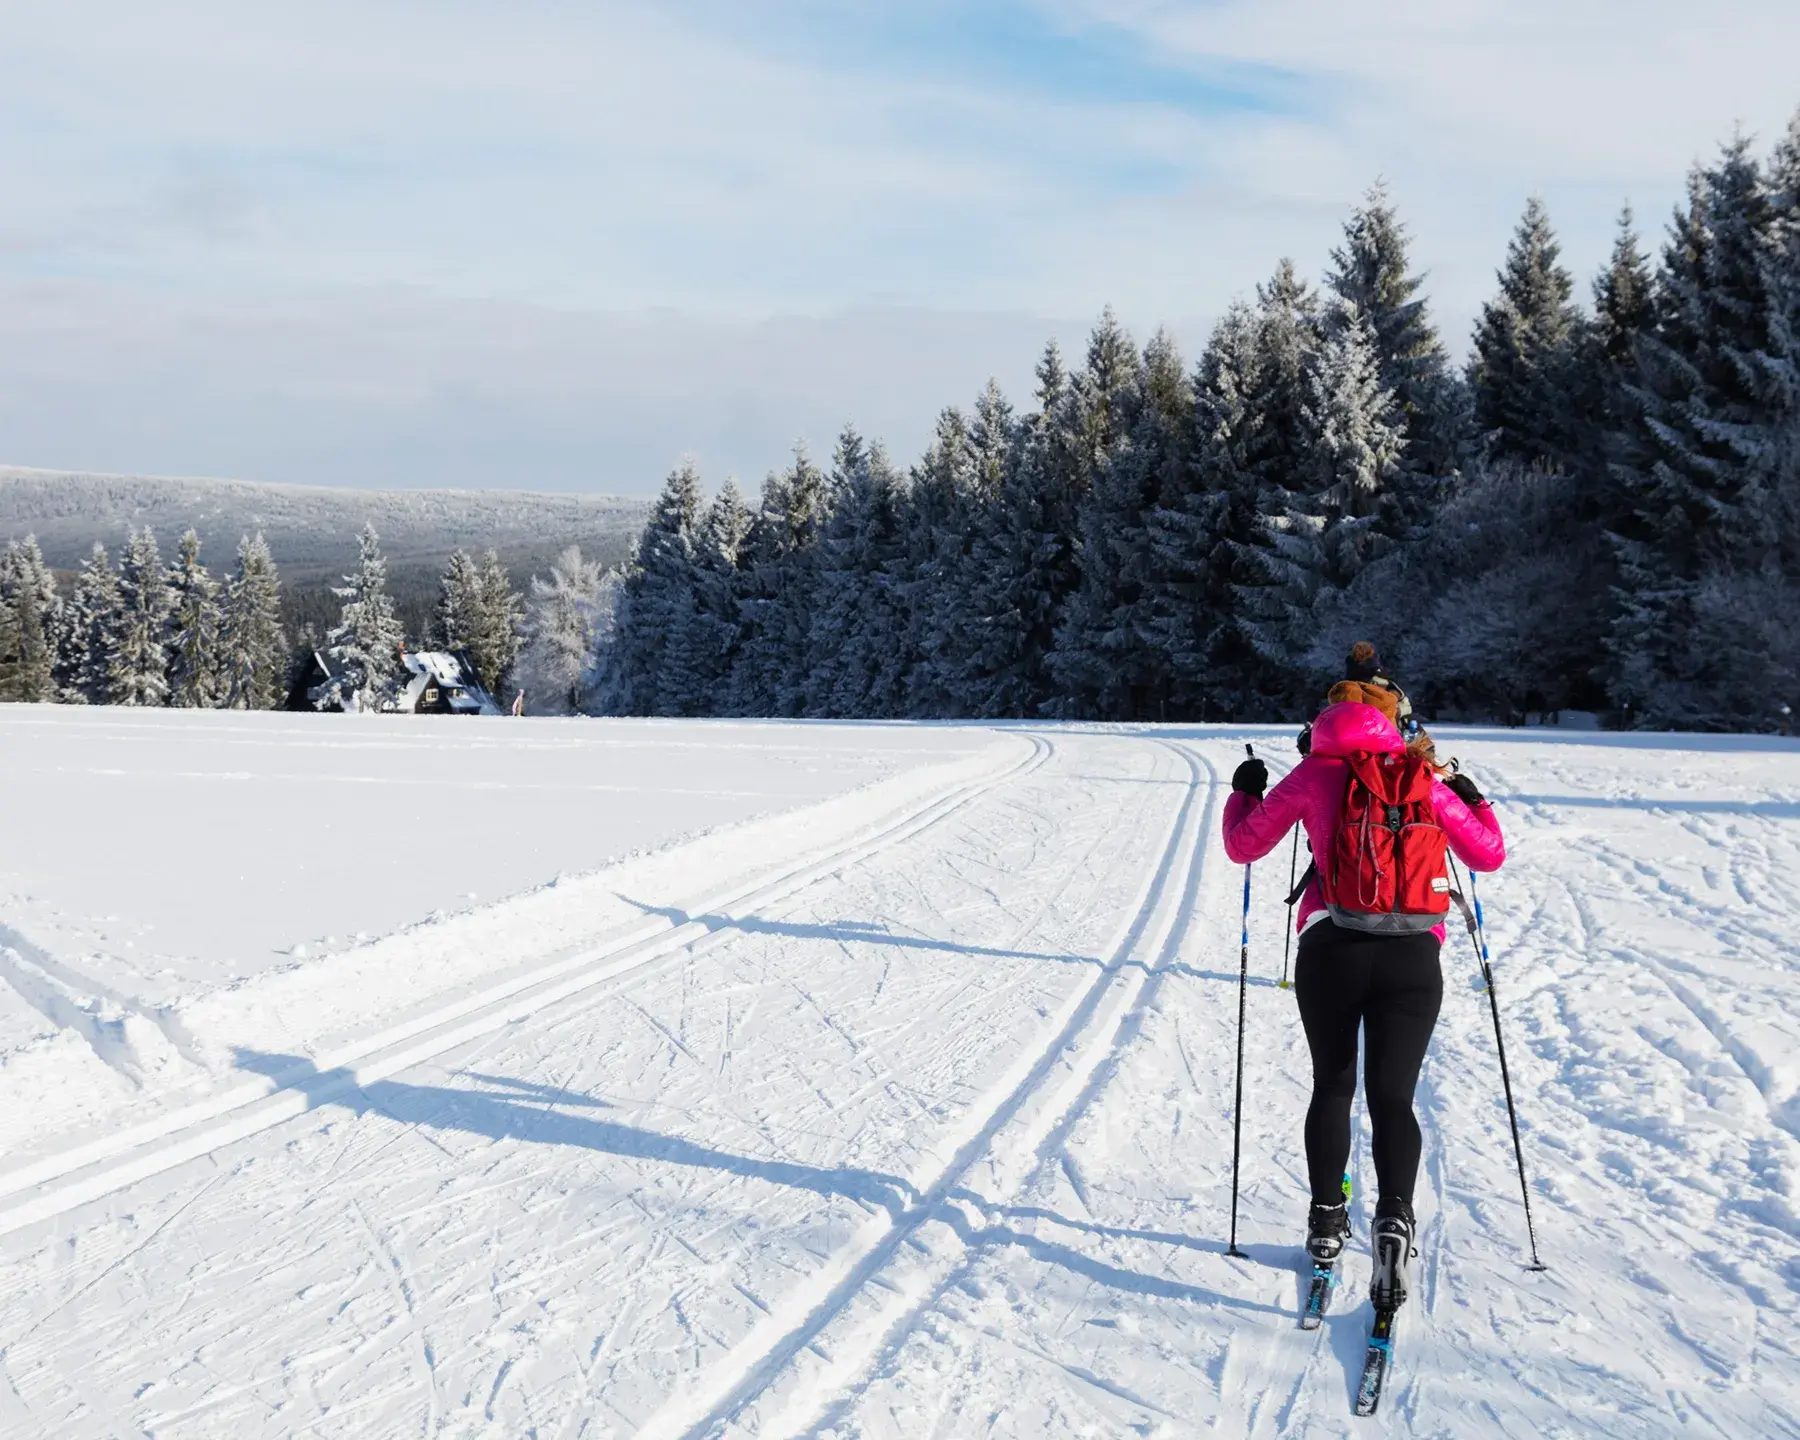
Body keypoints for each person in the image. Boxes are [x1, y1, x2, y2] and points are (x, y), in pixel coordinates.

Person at [1222, 644, 1505, 1311]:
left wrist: (1245, 792)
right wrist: (1474, 797)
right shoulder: (1422, 776)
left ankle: (1326, 1224)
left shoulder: (1315, 775)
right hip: (1414, 957)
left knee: (1332, 1086)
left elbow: (1243, 845)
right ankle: (1395, 1223)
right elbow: (1487, 856)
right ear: (1390, 720)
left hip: (1332, 949)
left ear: (1324, 721)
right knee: (1393, 1098)